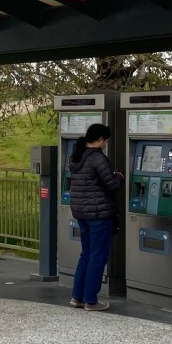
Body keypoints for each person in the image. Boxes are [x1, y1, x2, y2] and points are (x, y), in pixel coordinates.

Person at [67, 122, 123, 311]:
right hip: (99, 213)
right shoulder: (98, 158)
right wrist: (119, 177)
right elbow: (112, 186)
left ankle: (77, 297)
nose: (106, 143)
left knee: (86, 254)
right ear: (99, 140)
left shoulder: (77, 156)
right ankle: (91, 300)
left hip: (82, 213)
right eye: (105, 140)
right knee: (98, 256)